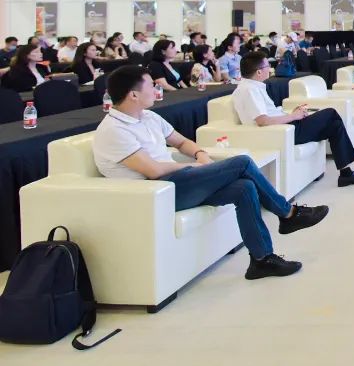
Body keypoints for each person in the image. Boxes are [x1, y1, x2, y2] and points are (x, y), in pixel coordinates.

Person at [92, 65, 329, 280]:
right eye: (151, 86)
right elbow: (152, 170)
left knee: (244, 188)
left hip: (176, 182)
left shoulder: (149, 117)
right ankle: (288, 213)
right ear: (133, 95)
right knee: (242, 163)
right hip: (156, 193)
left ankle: (262, 260)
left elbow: (182, 142)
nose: (156, 90)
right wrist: (194, 167)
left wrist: (201, 154)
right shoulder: (114, 130)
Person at [234, 52, 354, 188]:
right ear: (258, 72)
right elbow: (263, 121)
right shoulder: (249, 90)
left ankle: (346, 174)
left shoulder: (252, 87)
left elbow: (268, 114)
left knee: (334, 125)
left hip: (285, 126)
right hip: (283, 132)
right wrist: (294, 116)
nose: (270, 69)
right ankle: (350, 155)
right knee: (331, 113)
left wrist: (292, 113)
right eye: (267, 66)